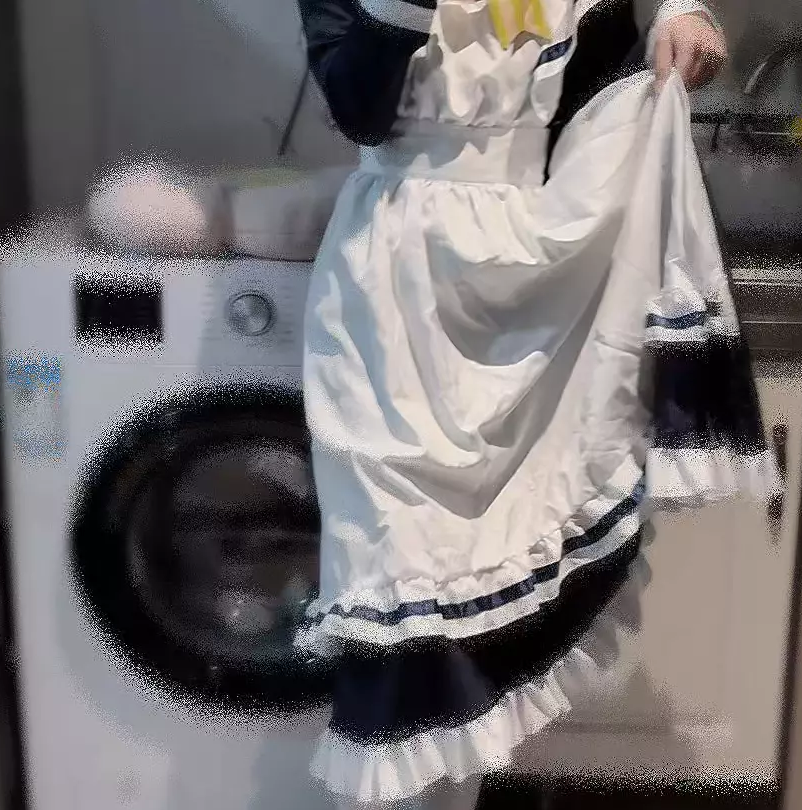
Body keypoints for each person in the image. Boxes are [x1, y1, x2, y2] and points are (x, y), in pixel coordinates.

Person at [294, 1, 775, 808]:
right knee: (399, 600)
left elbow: (610, 56)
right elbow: (358, 105)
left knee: (477, 641)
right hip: (392, 302)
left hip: (521, 285)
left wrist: (677, 16)